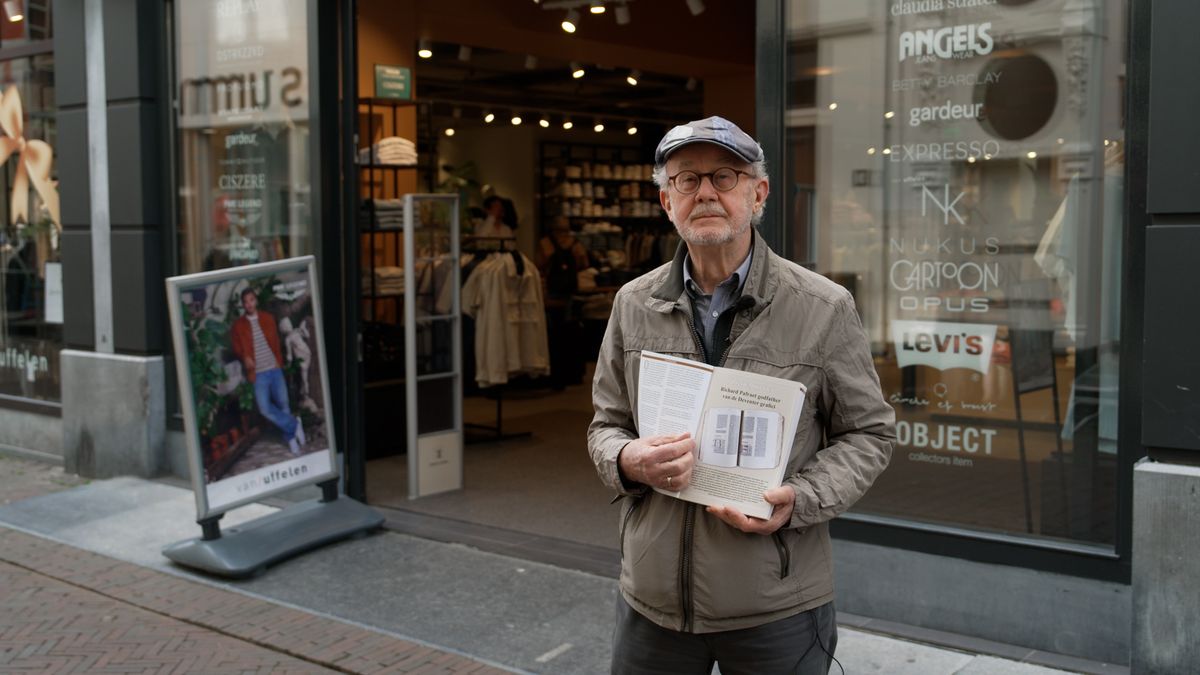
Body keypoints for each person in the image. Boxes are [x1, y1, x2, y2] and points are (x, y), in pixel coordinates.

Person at [587, 116, 895, 674]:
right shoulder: (633, 303)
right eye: (687, 179)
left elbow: (868, 434)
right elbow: (605, 425)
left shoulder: (823, 307)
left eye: (724, 176)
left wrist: (801, 497)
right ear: (666, 201)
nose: (705, 192)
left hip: (776, 603)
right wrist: (627, 458)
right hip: (652, 604)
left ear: (759, 194)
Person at [231, 288, 306, 455]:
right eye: (245, 302)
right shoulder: (238, 326)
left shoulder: (268, 318)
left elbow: (277, 342)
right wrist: (244, 357)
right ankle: (295, 424)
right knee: (264, 409)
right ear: (243, 305)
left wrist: (279, 362)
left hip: (274, 369)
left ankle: (290, 438)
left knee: (283, 404)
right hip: (258, 373)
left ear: (256, 301)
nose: (249, 304)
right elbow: (236, 348)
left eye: (251, 300)